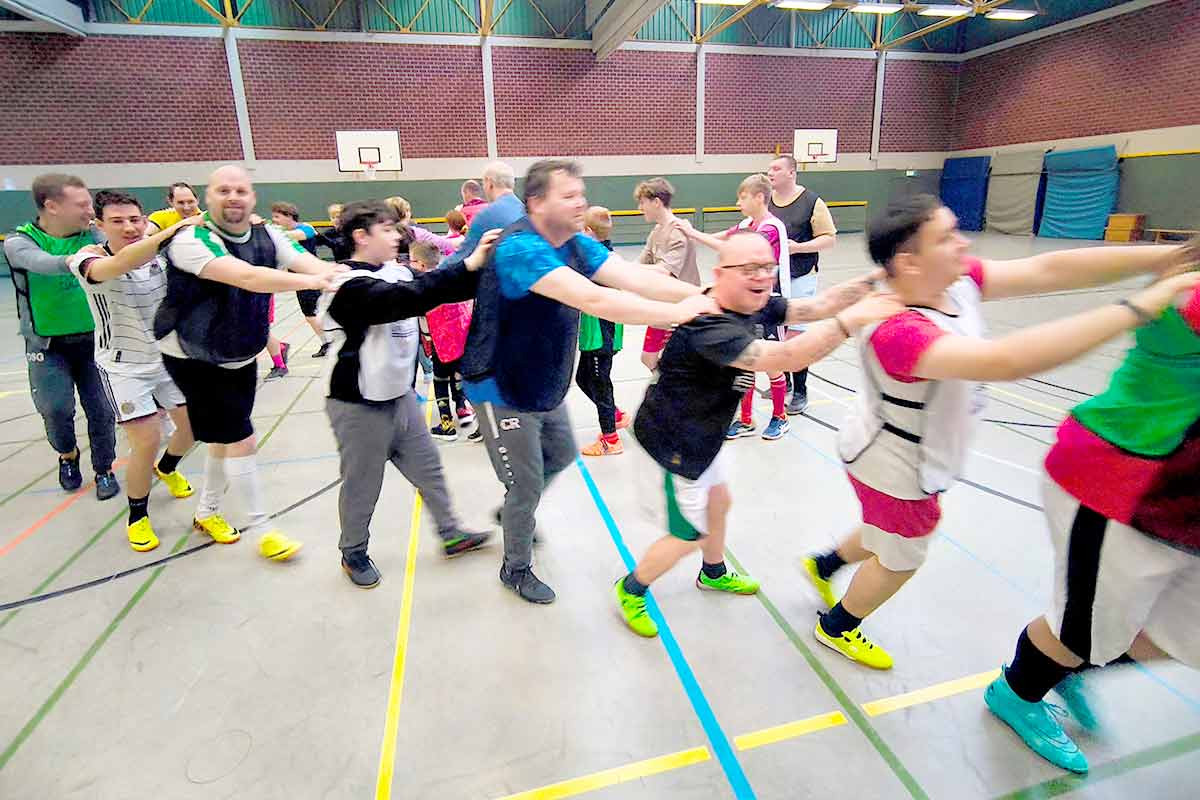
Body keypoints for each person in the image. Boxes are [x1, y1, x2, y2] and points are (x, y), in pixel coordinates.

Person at [800, 195, 1200, 675]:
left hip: (903, 452)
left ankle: (824, 565)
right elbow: (1005, 361)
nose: (963, 242)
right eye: (947, 237)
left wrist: (1167, 258)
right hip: (894, 463)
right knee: (903, 557)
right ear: (909, 261)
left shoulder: (955, 283)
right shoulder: (898, 329)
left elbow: (1049, 269)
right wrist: (1139, 306)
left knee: (888, 527)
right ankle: (839, 625)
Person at [451, 159, 720, 605]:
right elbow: (596, 298)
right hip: (501, 386)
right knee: (527, 483)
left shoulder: (575, 242)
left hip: (543, 382)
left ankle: (514, 510)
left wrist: (708, 295)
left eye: (581, 193)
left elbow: (630, 278)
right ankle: (515, 568)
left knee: (560, 454)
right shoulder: (520, 248)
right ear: (537, 202)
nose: (581, 202)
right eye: (568, 195)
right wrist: (681, 313)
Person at [985, 238, 1200, 775]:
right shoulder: (1189, 296)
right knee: (1078, 630)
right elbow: (1040, 275)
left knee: (1186, 634)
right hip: (1120, 487)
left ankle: (1073, 665)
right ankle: (1019, 691)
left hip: (1182, 508)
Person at [615, 231, 893, 637]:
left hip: (705, 437)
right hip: (673, 447)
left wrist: (875, 280)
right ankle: (631, 588)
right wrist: (850, 323)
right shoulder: (710, 326)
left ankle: (713, 572)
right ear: (719, 274)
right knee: (688, 533)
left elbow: (815, 306)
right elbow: (785, 356)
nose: (762, 276)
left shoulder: (754, 302)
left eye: (767, 267)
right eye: (749, 269)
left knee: (720, 502)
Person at [154, 164, 342, 562]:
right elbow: (249, 277)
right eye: (223, 190)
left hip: (238, 350)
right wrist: (316, 282)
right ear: (209, 199)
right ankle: (263, 529)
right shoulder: (191, 241)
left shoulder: (267, 234)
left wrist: (344, 274)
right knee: (241, 437)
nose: (233, 197)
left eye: (240, 190)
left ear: (252, 198)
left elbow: (305, 262)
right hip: (192, 355)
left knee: (227, 439)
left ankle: (207, 512)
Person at [320, 200, 493, 588]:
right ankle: (353, 551)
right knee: (363, 484)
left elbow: (436, 287)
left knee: (428, 469)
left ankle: (451, 533)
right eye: (386, 229)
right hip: (358, 403)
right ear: (361, 237)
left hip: (400, 396)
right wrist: (464, 266)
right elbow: (401, 300)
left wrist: (479, 262)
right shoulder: (345, 285)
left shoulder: (397, 271)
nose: (398, 235)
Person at [68, 191, 199, 551]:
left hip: (168, 359)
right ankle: (138, 516)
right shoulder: (87, 259)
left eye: (134, 219)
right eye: (117, 221)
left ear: (145, 220)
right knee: (147, 441)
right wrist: (175, 231)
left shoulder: (163, 256)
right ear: (99, 225)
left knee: (192, 428)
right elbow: (121, 264)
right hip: (123, 367)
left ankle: (168, 468)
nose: (129, 227)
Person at [4, 173, 119, 499]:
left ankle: (104, 469)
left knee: (101, 409)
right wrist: (77, 261)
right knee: (55, 409)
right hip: (48, 345)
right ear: (52, 206)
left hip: (94, 341)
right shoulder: (20, 241)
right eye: (81, 204)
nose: (89, 209)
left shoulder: (95, 234)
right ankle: (67, 456)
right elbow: (38, 263)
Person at [680, 174, 792, 440]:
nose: (738, 201)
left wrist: (692, 233)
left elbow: (731, 249)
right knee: (746, 361)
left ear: (759, 197)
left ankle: (780, 416)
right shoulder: (746, 224)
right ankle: (746, 419)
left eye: (743, 196)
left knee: (771, 362)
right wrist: (690, 233)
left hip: (768, 301)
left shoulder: (771, 228)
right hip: (746, 303)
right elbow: (723, 238)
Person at [767, 155, 838, 415]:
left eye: (776, 169)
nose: (770, 173)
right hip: (775, 278)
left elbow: (829, 239)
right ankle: (783, 383)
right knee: (778, 334)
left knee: (795, 336)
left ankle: (800, 390)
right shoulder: (768, 202)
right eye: (769, 169)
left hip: (801, 275)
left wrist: (798, 248)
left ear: (791, 173)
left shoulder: (812, 202)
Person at [408, 241, 477, 443]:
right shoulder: (452, 278)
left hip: (442, 342)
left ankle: (446, 425)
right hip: (463, 341)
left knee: (440, 380)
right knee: (459, 377)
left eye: (411, 261)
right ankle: (464, 410)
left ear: (420, 264)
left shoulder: (426, 286)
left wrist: (427, 342)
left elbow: (424, 321)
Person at [576, 206, 629, 456]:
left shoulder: (599, 260)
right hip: (594, 330)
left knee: (600, 383)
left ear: (588, 231)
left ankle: (611, 438)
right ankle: (616, 415)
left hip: (601, 333)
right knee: (582, 379)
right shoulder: (603, 253)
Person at [633, 178, 699, 372]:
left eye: (642, 202)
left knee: (658, 358)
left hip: (681, 307)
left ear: (656, 202)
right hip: (664, 305)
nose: (639, 208)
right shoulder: (657, 231)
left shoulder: (677, 232)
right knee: (649, 358)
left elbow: (664, 270)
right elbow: (641, 262)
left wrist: (623, 269)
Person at [270, 201, 331, 357]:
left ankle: (329, 341)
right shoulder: (281, 231)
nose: (274, 220)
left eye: (277, 216)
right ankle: (327, 341)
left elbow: (297, 236)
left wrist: (270, 231)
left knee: (312, 312)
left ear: (289, 216)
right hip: (299, 278)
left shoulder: (305, 228)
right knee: (310, 312)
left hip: (310, 276)